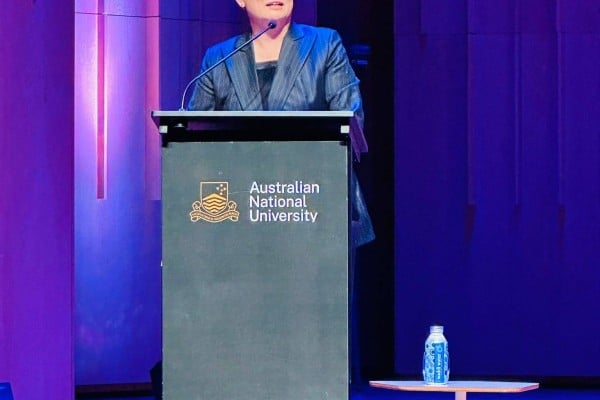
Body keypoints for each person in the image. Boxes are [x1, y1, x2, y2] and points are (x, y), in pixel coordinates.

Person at [188, 0, 374, 246]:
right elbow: (192, 141)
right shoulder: (219, 59)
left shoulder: (324, 45)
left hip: (315, 210)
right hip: (241, 219)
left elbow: (351, 120)